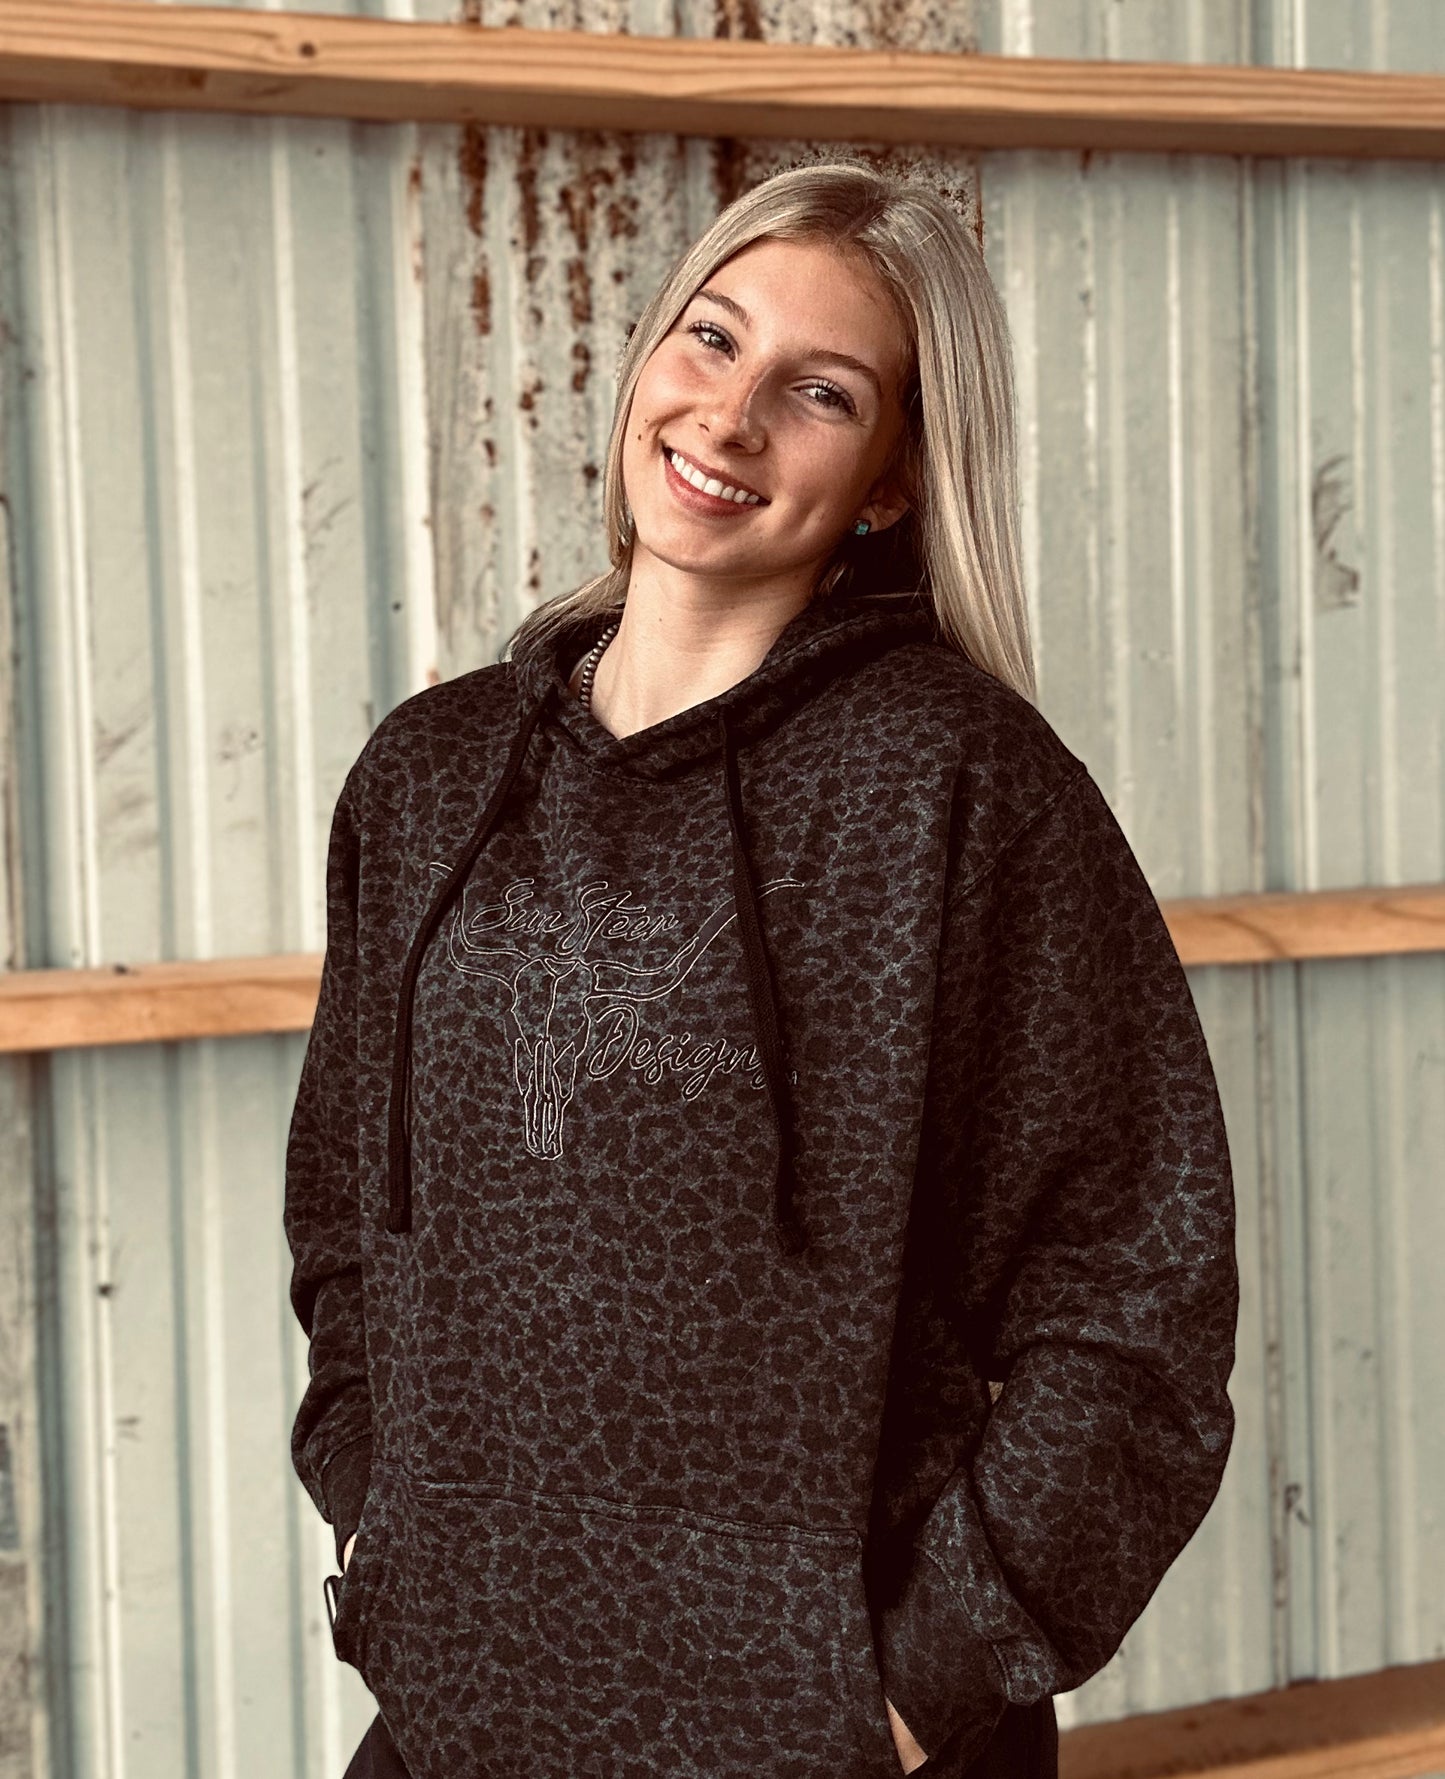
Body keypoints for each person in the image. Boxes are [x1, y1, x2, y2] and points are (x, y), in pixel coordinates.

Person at [284, 159, 1239, 1779]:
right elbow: (345, 1217)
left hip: (832, 1739)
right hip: (465, 1714)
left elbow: (1132, 1303)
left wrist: (909, 1688)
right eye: (712, 339)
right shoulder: (432, 775)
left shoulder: (960, 788)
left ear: (889, 481)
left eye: (820, 391)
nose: (727, 420)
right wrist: (388, 1533)